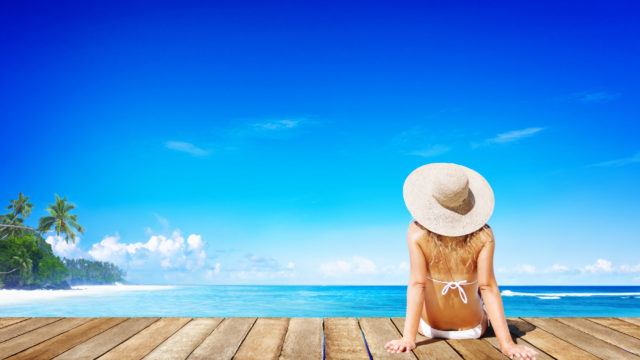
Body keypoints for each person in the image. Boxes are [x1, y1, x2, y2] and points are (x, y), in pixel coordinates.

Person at [384, 163, 537, 359]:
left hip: (429, 329)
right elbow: (488, 287)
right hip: (472, 330)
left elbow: (417, 284)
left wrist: (408, 338)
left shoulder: (416, 233)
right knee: (482, 300)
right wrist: (507, 345)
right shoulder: (484, 235)